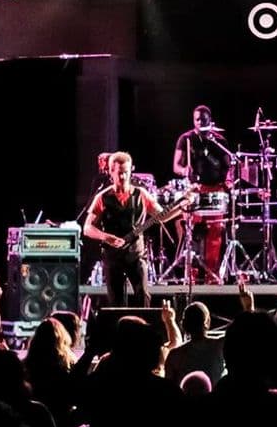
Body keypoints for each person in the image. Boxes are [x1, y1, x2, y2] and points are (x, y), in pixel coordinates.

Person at [84, 151, 177, 307]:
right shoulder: (102, 197)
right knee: (116, 302)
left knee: (143, 296)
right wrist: (106, 237)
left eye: (126, 172)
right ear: (111, 172)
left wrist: (182, 206)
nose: (123, 177)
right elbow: (87, 228)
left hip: (136, 255)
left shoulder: (141, 194)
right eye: (119, 173)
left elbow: (162, 216)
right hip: (113, 256)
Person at [173, 105, 233, 282]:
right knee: (190, 230)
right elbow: (176, 166)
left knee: (215, 231)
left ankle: (211, 274)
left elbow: (229, 166)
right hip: (194, 189)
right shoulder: (186, 139)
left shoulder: (219, 141)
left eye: (203, 120)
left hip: (215, 189)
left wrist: (229, 182)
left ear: (210, 120)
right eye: (197, 119)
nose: (200, 122)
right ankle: (190, 272)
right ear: (193, 120)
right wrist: (184, 170)